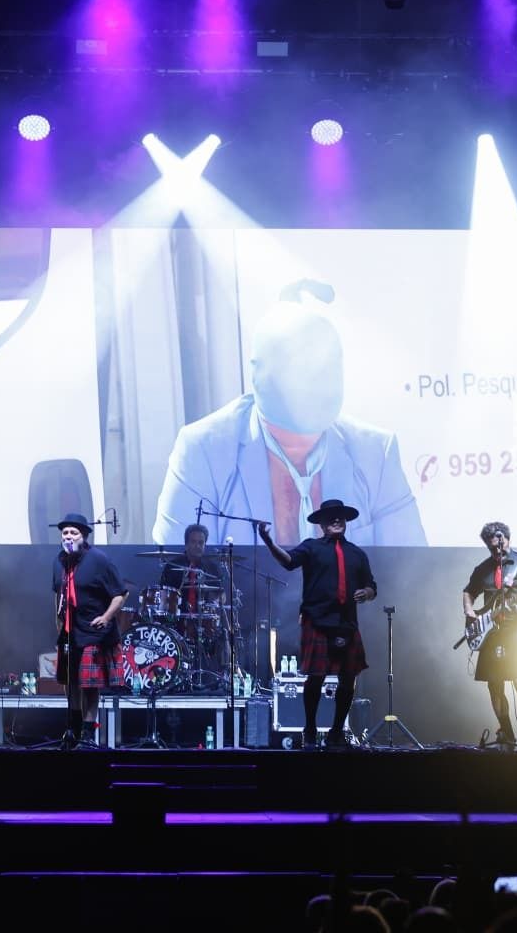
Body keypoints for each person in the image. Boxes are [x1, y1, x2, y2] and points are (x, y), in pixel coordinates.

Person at [151, 296, 426, 548]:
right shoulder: (203, 450)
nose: (316, 379)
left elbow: (412, 572)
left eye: (326, 363)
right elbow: (177, 570)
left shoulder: (376, 451)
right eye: (300, 364)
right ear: (258, 372)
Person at [258, 498, 376, 748]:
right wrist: (268, 541)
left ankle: (335, 732)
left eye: (340, 516)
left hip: (346, 623)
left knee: (348, 677)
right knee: (316, 676)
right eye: (331, 517)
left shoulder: (357, 553)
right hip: (318, 621)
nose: (336, 520)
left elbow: (371, 586)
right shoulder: (312, 547)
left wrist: (367, 593)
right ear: (321, 524)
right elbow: (288, 561)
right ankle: (310, 728)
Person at [461, 521, 517, 749]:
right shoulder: (483, 569)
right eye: (490, 547)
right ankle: (507, 732)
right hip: (490, 634)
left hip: (516, 632)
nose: (495, 550)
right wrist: (470, 612)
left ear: (506, 538)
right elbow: (469, 591)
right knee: (494, 684)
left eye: (499, 544)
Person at [52, 512, 127, 749]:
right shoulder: (59, 561)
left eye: (73, 532)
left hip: (94, 632)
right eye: (65, 532)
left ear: (83, 536)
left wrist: (106, 617)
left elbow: (121, 594)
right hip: (69, 631)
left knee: (89, 684)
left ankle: (87, 731)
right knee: (70, 681)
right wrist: (58, 623)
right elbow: (58, 595)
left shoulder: (99, 560)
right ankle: (72, 729)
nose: (68, 536)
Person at [159, 523, 229, 678]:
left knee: (222, 634)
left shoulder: (212, 568)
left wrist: (215, 603)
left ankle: (211, 676)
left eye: (201, 543)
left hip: (203, 619)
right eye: (193, 542)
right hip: (176, 618)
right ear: (186, 543)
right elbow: (164, 596)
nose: (197, 546)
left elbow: (220, 594)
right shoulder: (172, 566)